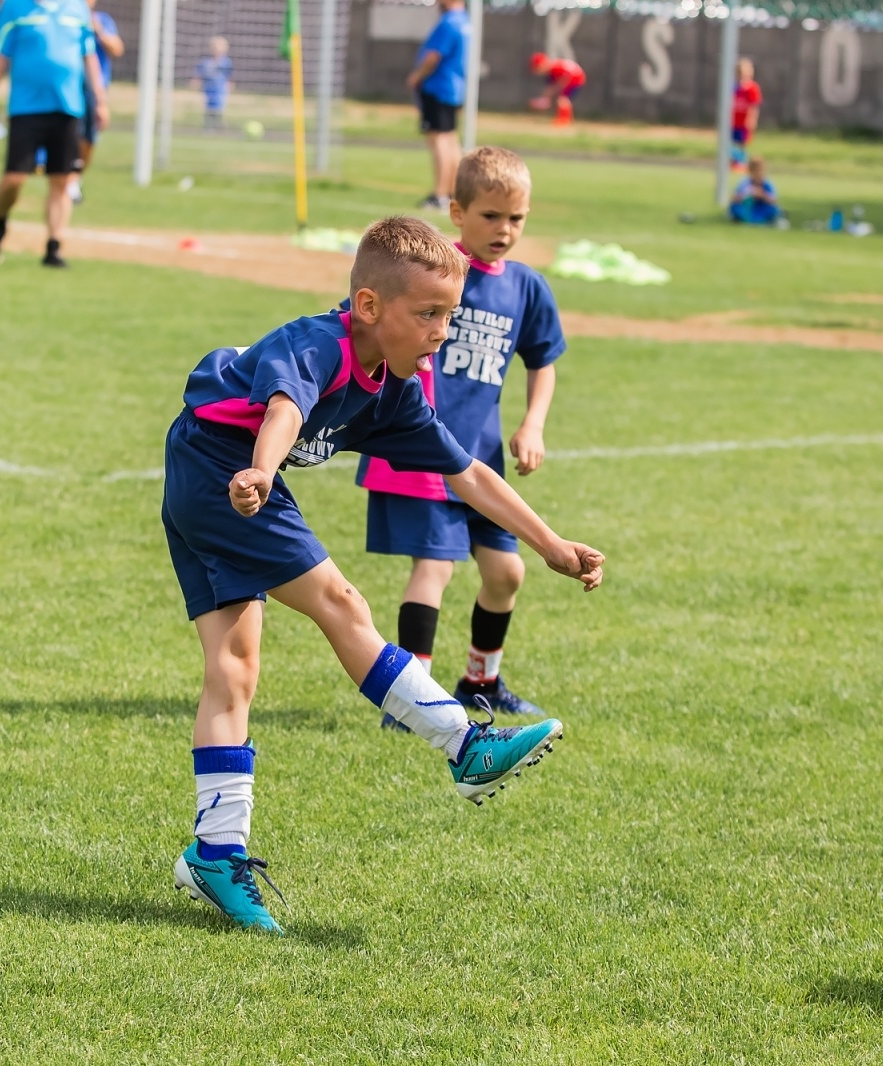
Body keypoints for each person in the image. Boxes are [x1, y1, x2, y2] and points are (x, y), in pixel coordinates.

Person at [164, 216, 604, 932]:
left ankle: (215, 852)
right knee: (341, 602)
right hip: (224, 469)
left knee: (234, 667)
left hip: (212, 472)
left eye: (449, 315)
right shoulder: (322, 344)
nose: (441, 330)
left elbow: (468, 473)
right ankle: (465, 744)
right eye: (427, 314)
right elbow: (284, 407)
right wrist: (262, 471)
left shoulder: (396, 390)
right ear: (369, 307)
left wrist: (550, 544)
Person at [355, 149, 564, 722]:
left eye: (516, 219)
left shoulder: (525, 288)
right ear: (457, 212)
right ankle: (412, 701)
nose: (504, 230)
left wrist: (533, 423)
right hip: (425, 450)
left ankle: (482, 681)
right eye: (491, 216)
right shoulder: (437, 276)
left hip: (482, 458)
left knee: (507, 572)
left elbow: (542, 359)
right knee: (435, 568)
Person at [0, 0, 109, 268]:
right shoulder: (14, 8)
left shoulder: (78, 9)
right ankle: (0, 225)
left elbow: (89, 56)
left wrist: (100, 100)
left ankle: (54, 247)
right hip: (26, 108)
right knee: (15, 179)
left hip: (67, 107)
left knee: (62, 181)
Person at [406, 0, 468, 211]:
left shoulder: (448, 22)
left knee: (439, 138)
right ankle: (453, 192)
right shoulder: (465, 21)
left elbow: (434, 56)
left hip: (439, 87)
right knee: (450, 138)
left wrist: (417, 76)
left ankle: (440, 195)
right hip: (454, 88)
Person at [68, 0, 123, 205]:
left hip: (96, 90)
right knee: (70, 133)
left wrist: (98, 30)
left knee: (89, 139)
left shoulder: (103, 21)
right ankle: (67, 180)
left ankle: (75, 178)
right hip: (71, 88)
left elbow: (117, 49)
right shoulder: (67, 17)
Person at [528, 52, 586, 126]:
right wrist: (545, 98)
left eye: (537, 68)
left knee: (563, 99)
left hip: (575, 79)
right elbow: (551, 88)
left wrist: (557, 89)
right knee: (561, 99)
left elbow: (565, 78)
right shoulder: (551, 71)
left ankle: (564, 120)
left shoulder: (554, 68)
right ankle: (562, 119)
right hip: (571, 78)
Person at [729, 58, 762, 177]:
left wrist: (752, 119)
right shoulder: (734, 87)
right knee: (731, 142)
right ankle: (733, 163)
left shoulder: (752, 88)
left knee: (742, 143)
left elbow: (754, 106)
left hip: (744, 122)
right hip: (733, 121)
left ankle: (742, 164)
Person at [194, 36, 233, 131]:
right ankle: (208, 126)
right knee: (209, 107)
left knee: (219, 106)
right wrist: (197, 80)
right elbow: (200, 71)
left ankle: (219, 124)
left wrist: (229, 83)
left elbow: (228, 74)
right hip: (208, 88)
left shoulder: (226, 62)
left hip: (220, 88)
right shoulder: (206, 62)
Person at [729, 157, 782, 225]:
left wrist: (762, 195)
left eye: (760, 171)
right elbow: (734, 198)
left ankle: (767, 219)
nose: (758, 174)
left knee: (774, 209)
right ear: (750, 172)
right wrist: (747, 195)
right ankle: (743, 218)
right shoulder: (745, 183)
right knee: (735, 207)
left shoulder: (767, 183)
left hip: (763, 208)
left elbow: (774, 200)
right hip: (748, 208)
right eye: (755, 171)